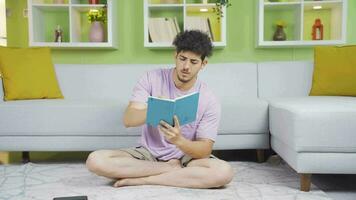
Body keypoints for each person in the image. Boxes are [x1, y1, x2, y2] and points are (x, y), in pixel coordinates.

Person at [86, 30, 233, 189]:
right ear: (175, 55)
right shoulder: (151, 78)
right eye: (182, 59)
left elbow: (204, 150)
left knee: (223, 172)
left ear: (203, 64)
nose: (186, 66)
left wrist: (179, 141)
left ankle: (144, 180)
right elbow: (128, 120)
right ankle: (167, 170)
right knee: (95, 160)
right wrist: (155, 109)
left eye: (193, 62)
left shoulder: (209, 99)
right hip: (148, 154)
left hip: (186, 158)